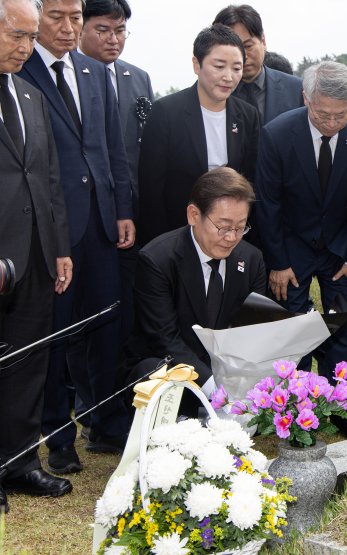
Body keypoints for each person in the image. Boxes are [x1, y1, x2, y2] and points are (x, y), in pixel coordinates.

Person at [19, 0, 135, 473]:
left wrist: (123, 209)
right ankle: (57, 437)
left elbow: (113, 147)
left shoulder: (92, 72)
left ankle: (106, 426)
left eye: (74, 18)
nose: (68, 29)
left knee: (108, 329)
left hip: (103, 225)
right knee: (55, 336)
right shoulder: (18, 71)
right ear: (36, 16)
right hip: (51, 231)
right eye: (57, 18)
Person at [256, 61, 347, 438]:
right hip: (291, 248)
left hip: (340, 249)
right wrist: (278, 261)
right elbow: (268, 204)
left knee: (341, 325)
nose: (332, 123)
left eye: (342, 115)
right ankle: (293, 411)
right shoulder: (277, 134)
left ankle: (343, 411)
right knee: (293, 330)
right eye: (323, 114)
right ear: (305, 98)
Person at [0, 0, 73, 508]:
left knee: (28, 363)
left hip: (36, 255)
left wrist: (60, 248)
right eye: (17, 36)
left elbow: (48, 180)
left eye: (30, 38)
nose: (27, 48)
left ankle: (20, 462)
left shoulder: (29, 94)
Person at [78, 0, 153, 424]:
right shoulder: (68, 79)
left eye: (121, 30)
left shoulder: (137, 77)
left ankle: (122, 405)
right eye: (103, 29)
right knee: (92, 320)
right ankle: (92, 412)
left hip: (134, 218)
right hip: (90, 220)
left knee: (127, 316)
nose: (114, 39)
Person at [125, 168, 267, 392]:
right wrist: (216, 390)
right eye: (223, 226)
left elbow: (253, 328)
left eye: (240, 227)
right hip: (174, 370)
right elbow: (165, 340)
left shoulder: (251, 259)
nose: (231, 238)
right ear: (193, 215)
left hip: (230, 371)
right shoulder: (157, 261)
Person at [137, 24, 259, 246]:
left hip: (230, 236)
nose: (228, 77)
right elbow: (151, 188)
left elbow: (251, 176)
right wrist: (160, 244)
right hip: (177, 232)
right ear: (196, 64)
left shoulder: (248, 116)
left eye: (236, 68)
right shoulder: (166, 112)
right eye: (219, 66)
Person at [212, 4, 303, 126]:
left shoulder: (296, 90)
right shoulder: (211, 94)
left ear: (263, 41)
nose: (243, 57)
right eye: (234, 49)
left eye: (248, 46)